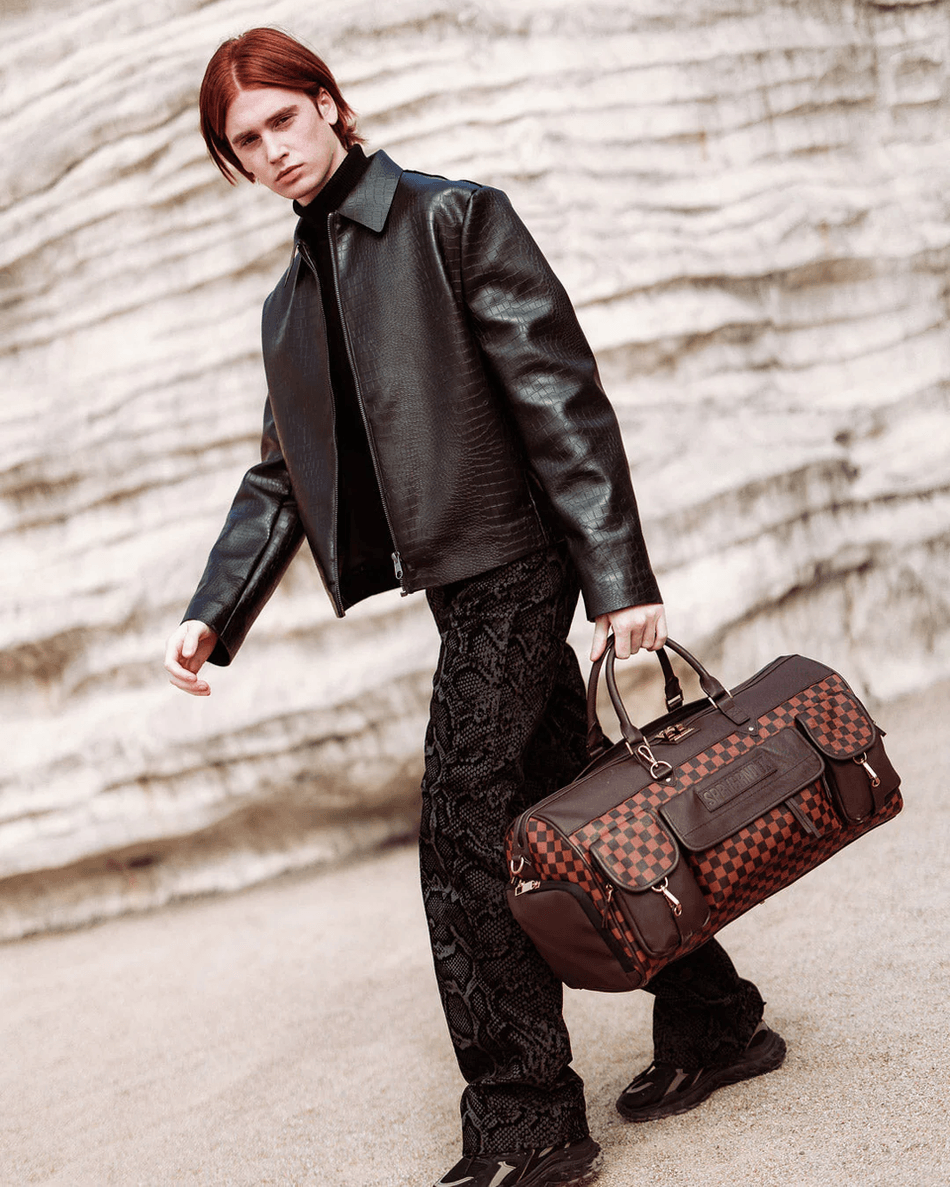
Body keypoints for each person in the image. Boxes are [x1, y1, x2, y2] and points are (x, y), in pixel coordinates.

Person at [164, 28, 786, 1187]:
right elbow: (279, 474)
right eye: (245, 141)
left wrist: (617, 575)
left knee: (462, 836)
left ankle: (526, 1119)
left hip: (516, 562)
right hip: (458, 588)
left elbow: (559, 396)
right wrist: (214, 609)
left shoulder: (452, 218)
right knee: (578, 809)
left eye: (282, 118)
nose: (271, 149)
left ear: (329, 103)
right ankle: (713, 1017)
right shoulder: (291, 302)